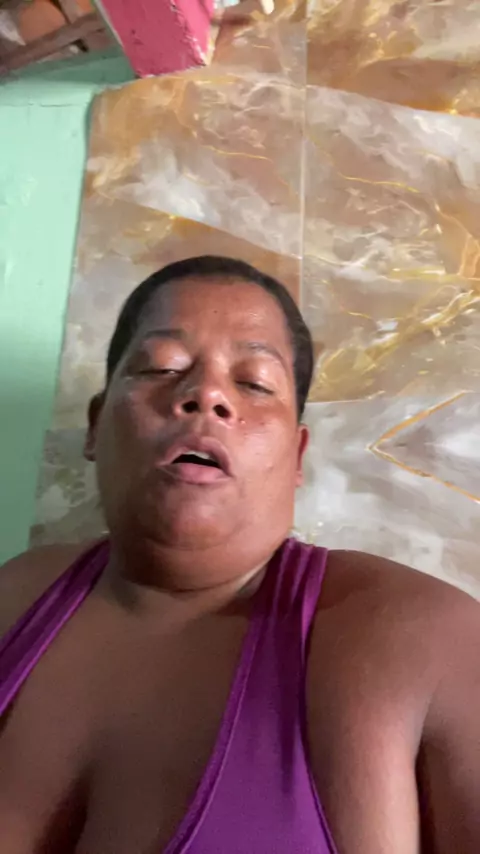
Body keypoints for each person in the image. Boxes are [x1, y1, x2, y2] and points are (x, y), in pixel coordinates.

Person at [0, 255, 479, 854]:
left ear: (297, 454)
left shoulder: (427, 642)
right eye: (160, 366)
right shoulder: (13, 595)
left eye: (253, 383)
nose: (206, 394)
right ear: (95, 427)